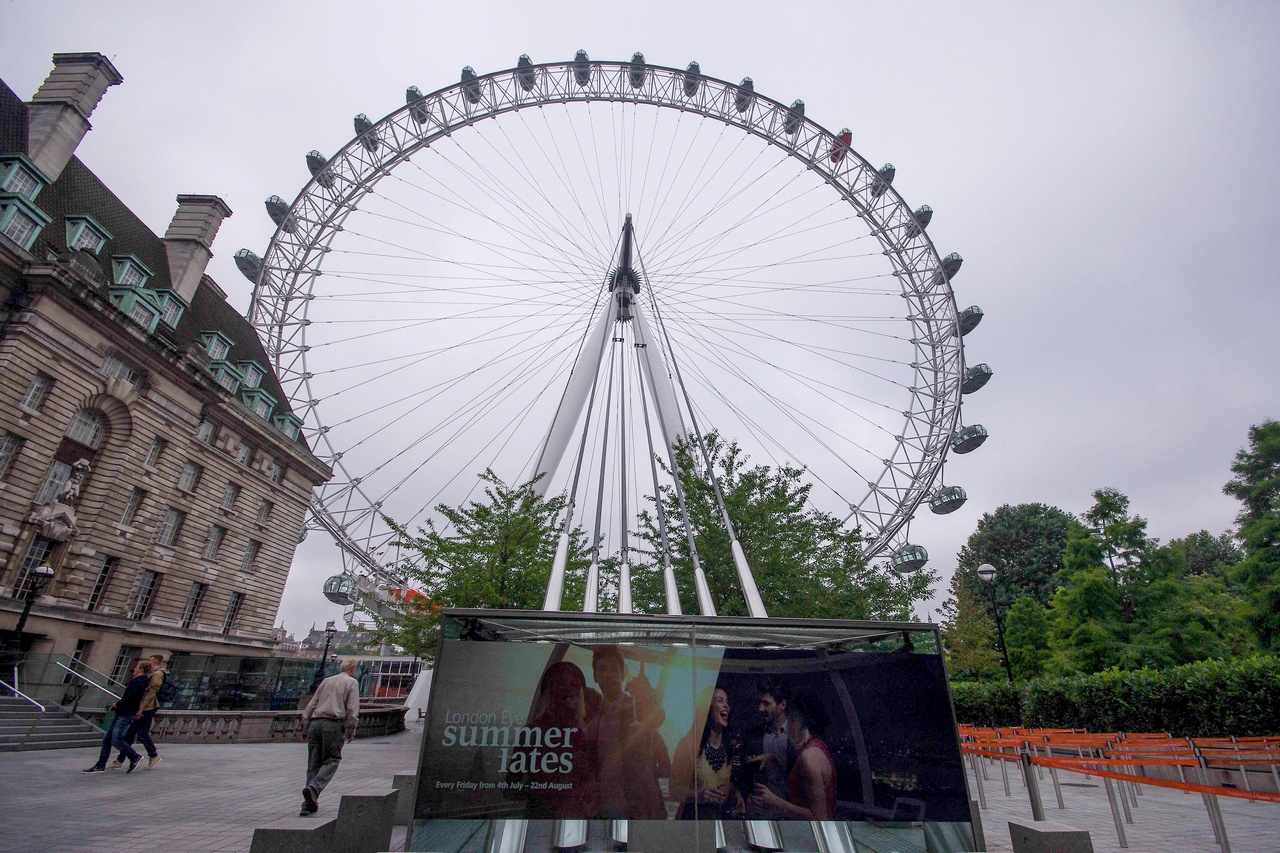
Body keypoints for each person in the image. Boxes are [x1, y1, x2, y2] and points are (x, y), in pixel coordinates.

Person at [520, 660, 592, 819]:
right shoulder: (532, 732)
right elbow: (510, 789)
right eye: (561, 684)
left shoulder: (582, 735)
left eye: (573, 686)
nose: (567, 690)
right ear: (550, 692)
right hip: (542, 815)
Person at [750, 691, 836, 820]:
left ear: (798, 720)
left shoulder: (809, 756)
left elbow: (820, 818)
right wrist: (773, 758)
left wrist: (775, 801)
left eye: (788, 719)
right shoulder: (816, 747)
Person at [672, 685, 743, 819]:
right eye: (720, 700)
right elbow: (674, 790)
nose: (726, 705)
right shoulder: (688, 744)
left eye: (727, 702)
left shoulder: (728, 747)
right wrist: (699, 795)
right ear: (707, 709)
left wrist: (735, 793)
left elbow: (723, 780)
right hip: (692, 823)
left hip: (717, 821)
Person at [299, 658, 360, 816]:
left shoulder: (326, 681)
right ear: (353, 669)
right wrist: (351, 729)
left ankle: (308, 804)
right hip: (333, 725)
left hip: (315, 724)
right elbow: (352, 709)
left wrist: (305, 726)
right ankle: (314, 788)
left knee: (313, 763)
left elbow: (311, 704)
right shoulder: (351, 683)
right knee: (332, 759)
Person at [83, 659, 151, 774]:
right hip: (124, 713)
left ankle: (134, 756)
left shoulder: (137, 682)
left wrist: (117, 704)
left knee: (116, 739)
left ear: (142, 670)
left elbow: (130, 698)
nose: (134, 669)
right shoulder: (141, 682)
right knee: (107, 740)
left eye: (137, 667)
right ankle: (100, 765)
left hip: (125, 714)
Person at [742, 677, 794, 819]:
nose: (760, 708)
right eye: (760, 702)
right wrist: (747, 796)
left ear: (782, 705)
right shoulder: (752, 736)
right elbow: (741, 774)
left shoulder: (796, 736)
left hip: (789, 816)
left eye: (766, 703)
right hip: (760, 815)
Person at [110, 653, 167, 770]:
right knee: (130, 734)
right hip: (144, 707)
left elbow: (151, 692)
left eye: (150, 661)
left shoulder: (157, 674)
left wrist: (140, 708)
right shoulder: (153, 674)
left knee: (142, 734)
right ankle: (120, 760)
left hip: (148, 708)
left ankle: (153, 755)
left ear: (154, 662)